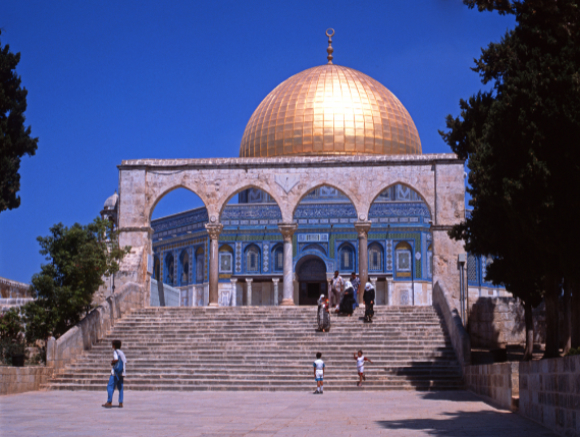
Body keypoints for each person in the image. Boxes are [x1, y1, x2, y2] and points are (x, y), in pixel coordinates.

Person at [102, 340, 126, 408]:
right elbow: (125, 361)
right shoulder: (122, 352)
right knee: (120, 388)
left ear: (114, 346)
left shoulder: (116, 352)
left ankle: (109, 401)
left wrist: (112, 362)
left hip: (115, 373)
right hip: (121, 372)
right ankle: (120, 402)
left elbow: (115, 359)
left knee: (110, 386)